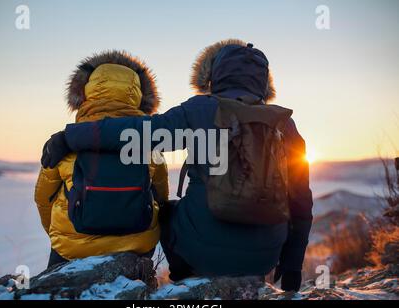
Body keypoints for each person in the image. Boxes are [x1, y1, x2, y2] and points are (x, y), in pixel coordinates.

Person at [41, 40, 313, 292]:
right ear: (263, 83)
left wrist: (71, 137)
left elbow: (139, 133)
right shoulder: (285, 125)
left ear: (215, 76)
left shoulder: (201, 110)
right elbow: (301, 205)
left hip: (203, 253)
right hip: (265, 257)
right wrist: (291, 266)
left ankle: (184, 278)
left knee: (167, 212)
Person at [35, 50, 169, 268]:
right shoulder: (147, 144)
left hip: (72, 247)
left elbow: (43, 198)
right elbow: (161, 196)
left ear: (84, 92)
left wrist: (60, 233)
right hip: (138, 245)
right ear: (140, 96)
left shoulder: (66, 141)